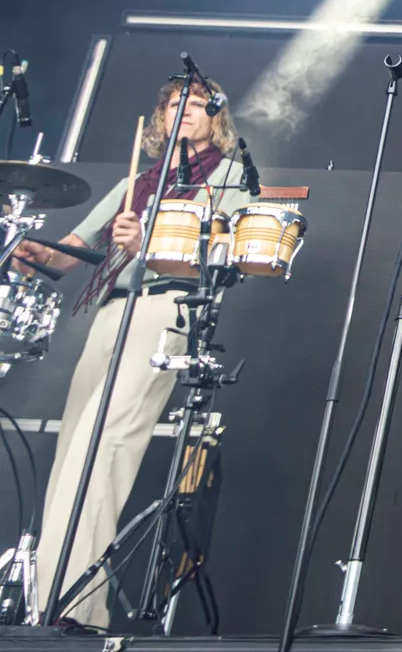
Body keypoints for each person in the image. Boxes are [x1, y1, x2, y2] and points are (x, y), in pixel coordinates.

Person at [10, 77, 253, 628]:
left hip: (165, 307)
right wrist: (35, 254)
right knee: (73, 450)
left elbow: (223, 256)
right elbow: (71, 253)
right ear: (160, 118)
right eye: (174, 104)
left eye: (197, 104)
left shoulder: (230, 177)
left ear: (215, 118)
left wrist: (148, 244)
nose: (184, 111)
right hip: (112, 311)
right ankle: (48, 605)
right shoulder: (137, 182)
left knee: (105, 447)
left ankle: (74, 610)